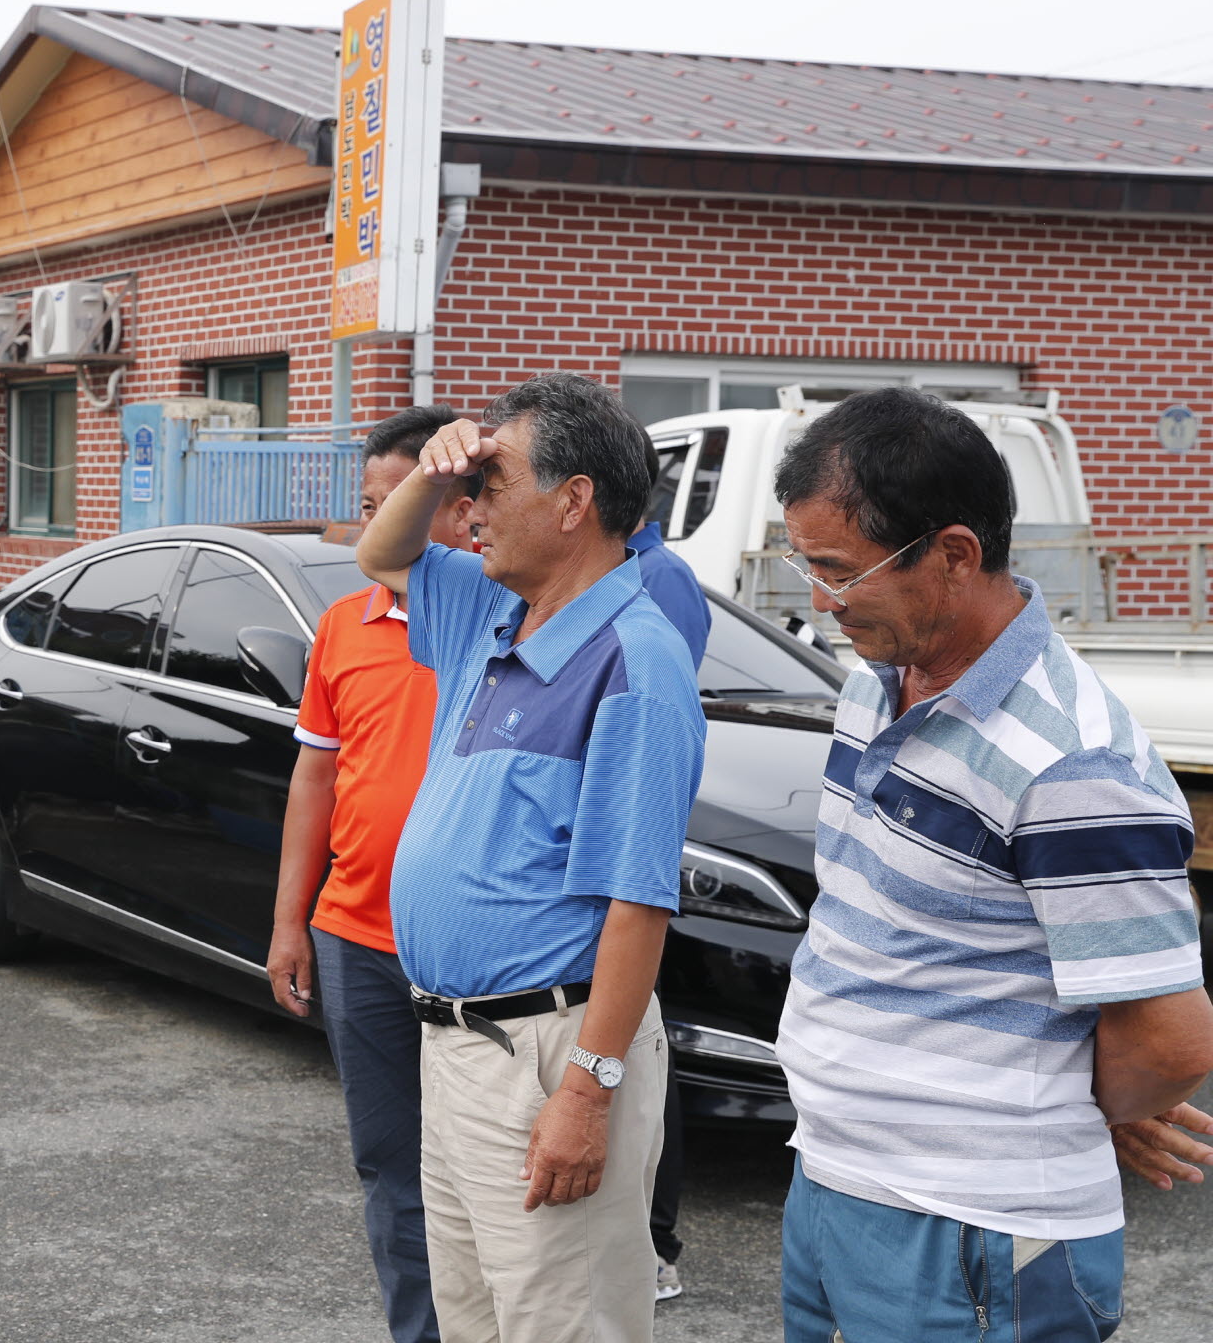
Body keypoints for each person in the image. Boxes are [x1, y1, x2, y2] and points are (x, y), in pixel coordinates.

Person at [770, 388, 1213, 1343]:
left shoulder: (1072, 760)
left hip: (970, 1226)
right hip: (833, 1177)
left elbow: (1172, 1040)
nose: (819, 598)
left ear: (955, 554)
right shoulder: (871, 687)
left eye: (838, 570)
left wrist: (1067, 1097)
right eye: (807, 564)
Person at [357, 372, 705, 1343]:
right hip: (461, 1045)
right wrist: (433, 473)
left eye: (492, 485)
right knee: (475, 1319)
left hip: (548, 1054)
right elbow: (378, 554)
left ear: (575, 499)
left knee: (563, 1322)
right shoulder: (492, 611)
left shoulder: (633, 657)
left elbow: (639, 905)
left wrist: (586, 1095)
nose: (469, 511)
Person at [267, 406, 478, 1343]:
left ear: (462, 514)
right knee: (391, 1167)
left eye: (400, 502)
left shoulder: (500, 619)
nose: (374, 526)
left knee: (484, 1168)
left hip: (476, 951)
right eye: (367, 505)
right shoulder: (344, 627)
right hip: (356, 938)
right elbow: (315, 777)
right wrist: (290, 923)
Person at [627, 509, 710, 1304]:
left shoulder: (661, 579)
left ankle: (656, 1241)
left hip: (632, 854)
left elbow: (658, 711)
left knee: (646, 1052)